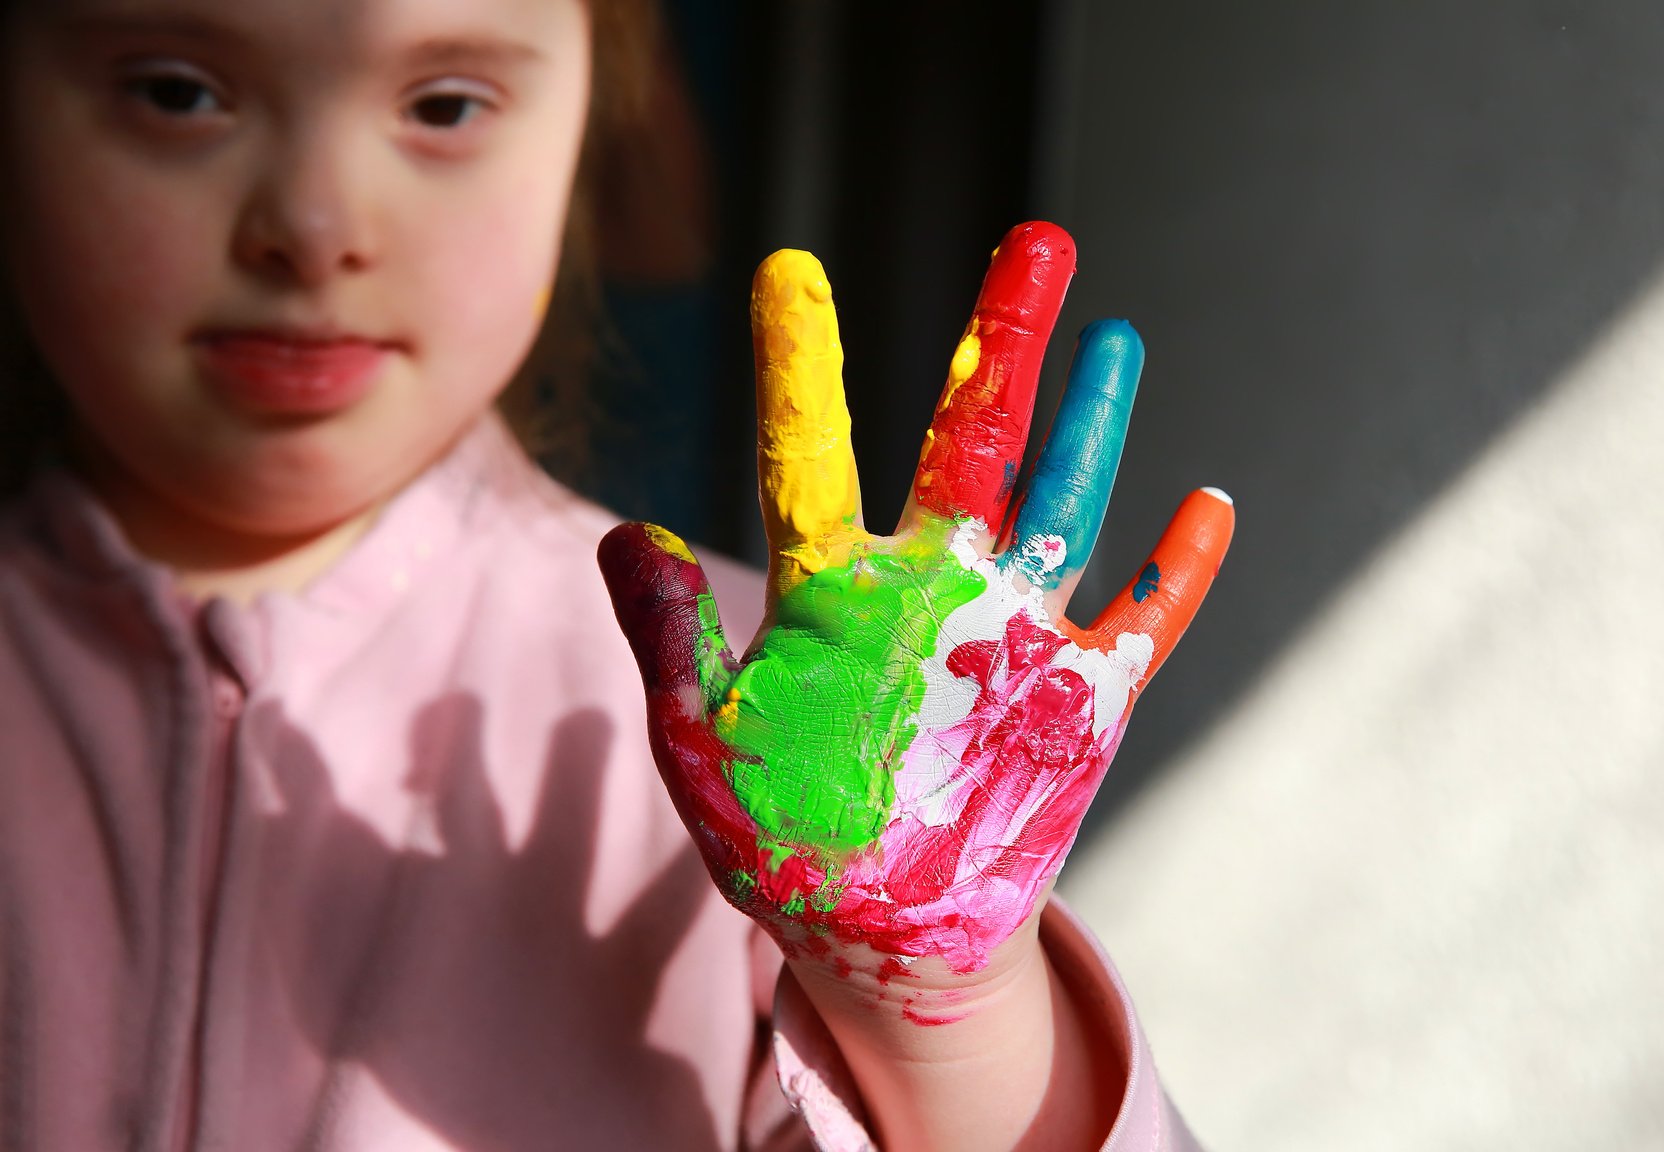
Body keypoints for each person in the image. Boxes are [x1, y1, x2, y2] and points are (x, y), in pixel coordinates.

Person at [0, 0, 1234, 1148]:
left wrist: (943, 1007)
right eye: (175, 92)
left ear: (599, 115)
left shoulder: (802, 721)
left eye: (443, 105)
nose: (315, 227)